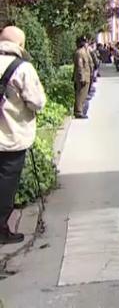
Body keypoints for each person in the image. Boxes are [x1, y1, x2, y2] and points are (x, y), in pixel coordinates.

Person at [0, 26, 47, 244]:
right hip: (11, 137)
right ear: (21, 45)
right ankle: (2, 228)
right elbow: (37, 102)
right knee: (6, 184)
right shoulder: (22, 68)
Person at [72, 36, 92, 119]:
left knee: (83, 94)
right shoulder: (80, 52)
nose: (85, 44)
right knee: (80, 94)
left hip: (86, 76)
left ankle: (80, 110)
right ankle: (78, 112)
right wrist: (82, 77)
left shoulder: (84, 51)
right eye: (84, 42)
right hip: (82, 77)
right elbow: (80, 66)